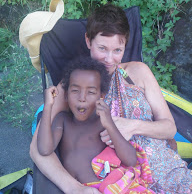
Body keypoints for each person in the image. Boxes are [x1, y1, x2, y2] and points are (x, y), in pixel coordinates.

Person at [30, 4, 192, 193]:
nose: (109, 59)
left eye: (118, 50)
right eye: (102, 48)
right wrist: (75, 189)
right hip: (118, 182)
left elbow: (169, 128)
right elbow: (37, 149)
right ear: (88, 41)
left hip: (168, 172)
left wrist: (133, 125)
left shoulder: (138, 72)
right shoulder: (74, 86)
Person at [37, 56, 155, 193]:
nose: (82, 98)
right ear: (66, 95)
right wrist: (48, 107)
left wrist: (110, 125)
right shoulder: (62, 121)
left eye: (91, 92)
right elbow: (44, 150)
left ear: (101, 96)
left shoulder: (103, 121)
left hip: (112, 186)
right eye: (75, 90)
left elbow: (130, 160)